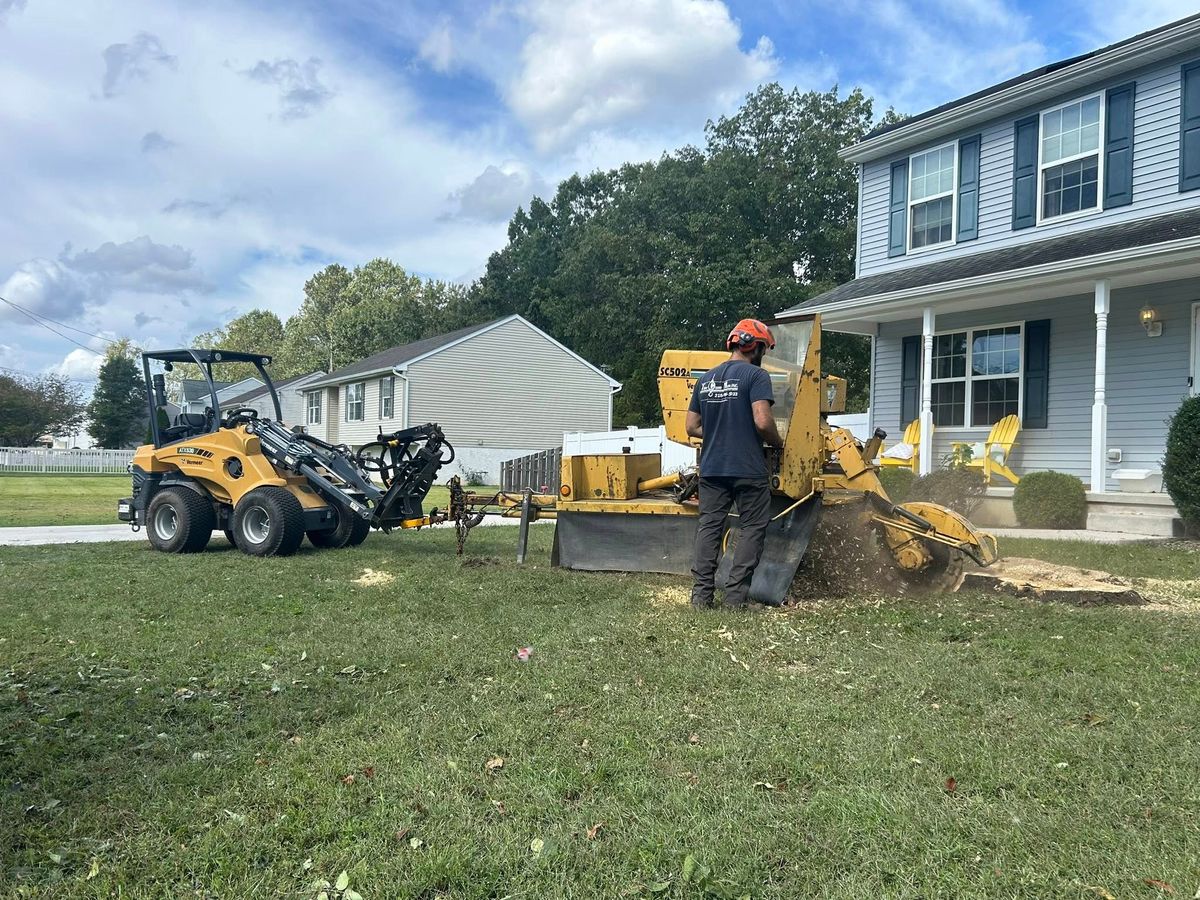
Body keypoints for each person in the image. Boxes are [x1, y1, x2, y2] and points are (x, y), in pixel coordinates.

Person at [685, 318, 784, 609]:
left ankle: (701, 598)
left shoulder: (706, 379)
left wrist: (720, 429)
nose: (763, 354)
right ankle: (734, 600)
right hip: (747, 468)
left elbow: (691, 426)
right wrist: (777, 442)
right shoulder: (755, 376)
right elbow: (763, 421)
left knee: (710, 527)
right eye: (763, 348)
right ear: (753, 346)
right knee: (752, 527)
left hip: (713, 467)